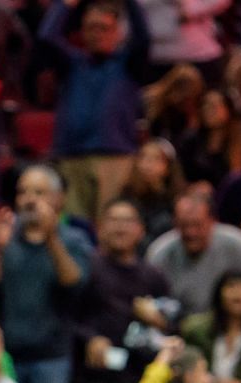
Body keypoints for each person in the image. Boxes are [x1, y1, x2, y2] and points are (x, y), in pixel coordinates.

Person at [0, 165, 89, 383]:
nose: (29, 199)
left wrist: (51, 237)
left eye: (39, 192)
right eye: (23, 192)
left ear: (58, 199)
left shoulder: (73, 239)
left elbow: (75, 285)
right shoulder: (5, 237)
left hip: (51, 358)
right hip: (7, 359)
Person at [39, 0, 151, 223]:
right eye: (91, 28)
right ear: (81, 32)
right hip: (73, 158)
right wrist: (66, 4)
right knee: (75, 227)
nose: (97, 34)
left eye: (104, 28)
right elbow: (47, 38)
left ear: (117, 33)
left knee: (110, 224)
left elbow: (144, 38)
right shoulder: (73, 63)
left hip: (115, 158)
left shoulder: (128, 63)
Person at [74, 199, 174, 383]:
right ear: (100, 228)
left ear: (141, 230)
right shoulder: (86, 268)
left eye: (128, 221)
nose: (120, 227)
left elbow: (172, 322)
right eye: (114, 220)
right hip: (95, 379)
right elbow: (66, 315)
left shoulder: (153, 276)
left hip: (141, 376)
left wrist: (158, 321)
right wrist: (90, 339)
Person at [144, 188, 241, 318]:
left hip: (229, 329)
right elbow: (147, 303)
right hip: (176, 332)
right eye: (184, 225)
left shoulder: (238, 245)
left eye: (197, 225)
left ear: (212, 221)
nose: (191, 232)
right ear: (174, 223)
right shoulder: (159, 253)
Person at [122, 139, 182, 245]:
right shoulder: (127, 195)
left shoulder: (176, 199)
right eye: (143, 157)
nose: (147, 164)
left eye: (156, 159)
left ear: (168, 166)